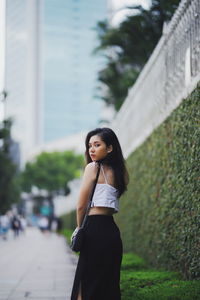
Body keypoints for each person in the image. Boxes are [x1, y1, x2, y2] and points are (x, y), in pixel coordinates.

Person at [70, 127, 129, 300]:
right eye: (89, 145)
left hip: (93, 229)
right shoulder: (121, 173)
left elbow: (81, 205)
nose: (92, 149)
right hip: (111, 231)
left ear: (109, 148)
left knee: (85, 281)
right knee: (108, 283)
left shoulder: (93, 168)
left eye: (97, 145)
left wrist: (79, 228)